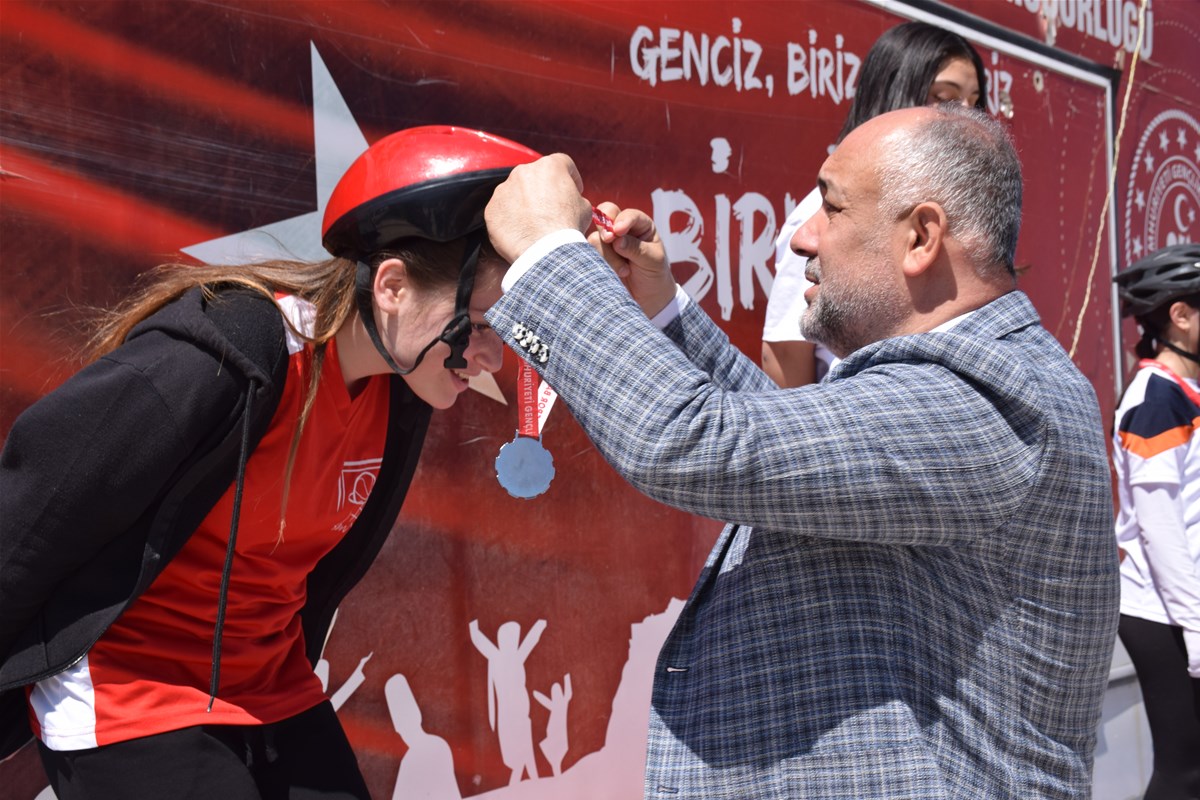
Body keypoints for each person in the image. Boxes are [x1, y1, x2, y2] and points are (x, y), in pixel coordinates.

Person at [481, 103, 1118, 798]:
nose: (801, 237)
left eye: (831, 208)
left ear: (921, 237)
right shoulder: (977, 381)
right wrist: (659, 309)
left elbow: (696, 443)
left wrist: (548, 255)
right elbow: (794, 454)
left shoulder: (989, 399)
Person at [0, 125, 540, 799]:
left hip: (270, 690)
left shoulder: (399, 392)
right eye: (481, 326)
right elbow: (38, 495)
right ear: (392, 287)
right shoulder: (237, 352)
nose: (490, 359)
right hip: (132, 693)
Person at [762, 21, 986, 387]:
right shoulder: (821, 215)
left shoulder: (970, 217)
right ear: (895, 94)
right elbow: (785, 362)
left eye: (975, 102)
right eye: (945, 98)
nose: (966, 115)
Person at [1111, 243, 1200, 800]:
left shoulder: (1186, 390)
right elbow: (1160, 528)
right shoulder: (1156, 398)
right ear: (1180, 315)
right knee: (1185, 771)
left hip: (1186, 607)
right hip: (1163, 613)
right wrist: (1196, 627)